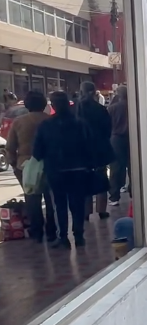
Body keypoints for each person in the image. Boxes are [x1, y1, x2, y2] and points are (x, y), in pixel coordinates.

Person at [33, 92, 96, 248]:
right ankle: (79, 235)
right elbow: (90, 147)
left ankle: (63, 237)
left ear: (53, 106)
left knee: (60, 204)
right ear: (69, 105)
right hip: (78, 169)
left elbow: (37, 152)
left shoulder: (46, 126)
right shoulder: (80, 124)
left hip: (56, 170)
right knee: (78, 203)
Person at [7, 91, 56, 243]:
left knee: (32, 199)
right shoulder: (50, 121)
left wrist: (14, 164)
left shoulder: (19, 122)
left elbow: (10, 146)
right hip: (49, 164)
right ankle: (51, 230)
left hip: (25, 165)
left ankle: (36, 231)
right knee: (50, 199)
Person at [77, 81, 114, 220]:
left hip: (81, 151)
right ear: (94, 92)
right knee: (101, 179)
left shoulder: (76, 109)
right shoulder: (100, 109)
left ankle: (86, 212)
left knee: (83, 181)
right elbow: (108, 130)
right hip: (99, 150)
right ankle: (101, 210)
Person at [108, 85, 130, 206]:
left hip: (116, 139)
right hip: (132, 138)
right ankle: (134, 192)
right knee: (133, 166)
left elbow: (107, 125)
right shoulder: (133, 107)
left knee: (116, 167)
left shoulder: (112, 108)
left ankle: (114, 196)